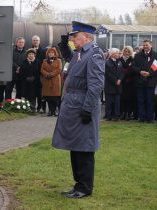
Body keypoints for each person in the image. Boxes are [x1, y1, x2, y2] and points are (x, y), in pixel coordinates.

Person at [52, 21, 105, 198]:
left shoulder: (94, 54)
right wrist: (63, 45)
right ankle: (78, 185)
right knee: (75, 147)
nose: (73, 39)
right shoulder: (82, 53)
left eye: (76, 36)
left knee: (84, 148)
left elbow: (96, 85)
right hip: (74, 104)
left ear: (87, 37)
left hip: (83, 105)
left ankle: (84, 187)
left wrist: (88, 109)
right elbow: (70, 58)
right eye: (72, 37)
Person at [132, 39, 157, 123]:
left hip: (151, 81)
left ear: (151, 45)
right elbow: (133, 66)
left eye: (147, 45)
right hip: (140, 81)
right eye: (144, 45)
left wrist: (150, 73)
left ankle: (149, 118)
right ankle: (141, 117)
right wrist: (140, 71)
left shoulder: (155, 55)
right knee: (141, 100)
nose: (145, 46)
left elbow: (156, 67)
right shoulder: (138, 55)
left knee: (150, 101)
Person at [104, 48, 125, 121]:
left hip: (118, 86)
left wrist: (119, 79)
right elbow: (107, 74)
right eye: (117, 53)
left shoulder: (120, 63)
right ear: (113, 54)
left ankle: (117, 116)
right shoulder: (107, 63)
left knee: (117, 102)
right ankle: (108, 116)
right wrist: (115, 81)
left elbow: (122, 72)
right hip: (110, 85)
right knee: (108, 102)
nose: (118, 54)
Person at [41, 47, 62, 116]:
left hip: (55, 80)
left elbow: (59, 69)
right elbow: (42, 69)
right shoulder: (44, 61)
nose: (51, 54)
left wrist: (51, 74)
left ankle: (54, 110)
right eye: (49, 53)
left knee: (55, 97)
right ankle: (50, 110)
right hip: (47, 80)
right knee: (48, 97)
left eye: (52, 53)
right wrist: (47, 74)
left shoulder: (58, 60)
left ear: (55, 54)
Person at [119, 46, 136, 121]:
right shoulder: (119, 59)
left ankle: (128, 114)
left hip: (130, 82)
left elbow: (133, 70)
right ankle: (123, 113)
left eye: (128, 52)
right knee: (122, 99)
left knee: (129, 99)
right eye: (125, 51)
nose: (126, 53)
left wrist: (125, 72)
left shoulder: (133, 60)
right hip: (122, 82)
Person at [32, 35, 46, 112]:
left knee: (40, 92)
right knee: (32, 91)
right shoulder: (29, 51)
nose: (35, 42)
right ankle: (32, 107)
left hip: (40, 74)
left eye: (36, 40)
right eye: (34, 40)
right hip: (32, 74)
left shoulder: (43, 52)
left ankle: (40, 107)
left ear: (39, 42)